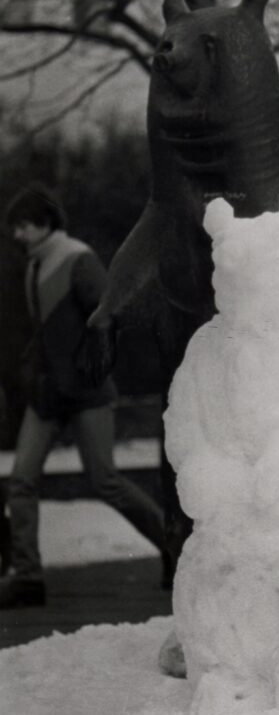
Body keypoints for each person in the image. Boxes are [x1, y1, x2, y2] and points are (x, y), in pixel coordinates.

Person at [0, 183, 167, 608]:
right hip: (46, 395)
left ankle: (177, 548)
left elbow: (109, 317)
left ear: (43, 224)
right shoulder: (34, 266)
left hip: (86, 392)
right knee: (21, 481)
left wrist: (85, 369)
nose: (17, 235)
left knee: (105, 481)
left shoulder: (77, 258)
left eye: (23, 226)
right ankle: (28, 578)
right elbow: (44, 333)